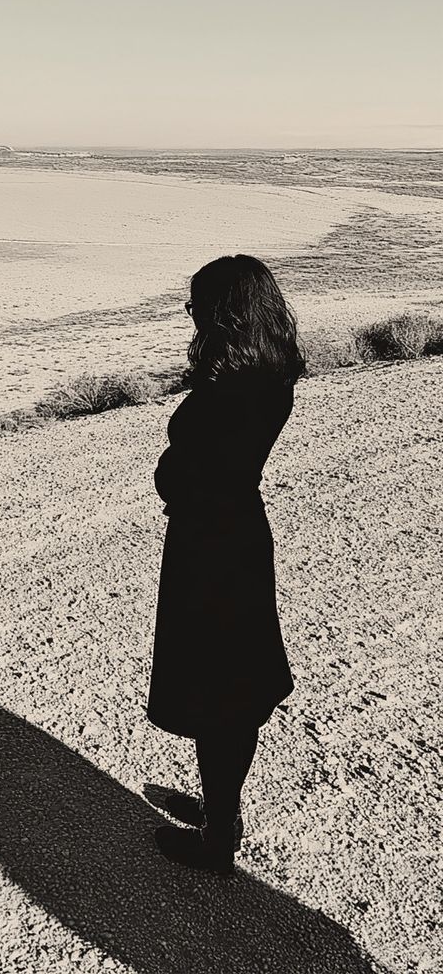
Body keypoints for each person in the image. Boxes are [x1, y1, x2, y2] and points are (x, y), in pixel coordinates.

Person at [147, 254, 306, 876]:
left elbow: (189, 478)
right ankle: (222, 808)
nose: (190, 319)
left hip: (208, 548)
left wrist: (171, 478)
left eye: (196, 309)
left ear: (223, 314)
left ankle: (219, 837)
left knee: (218, 693)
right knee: (232, 686)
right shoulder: (272, 373)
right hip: (239, 535)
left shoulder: (225, 391)